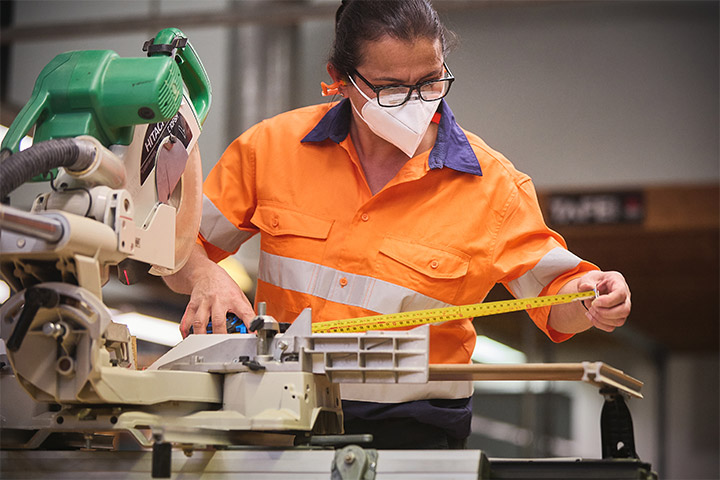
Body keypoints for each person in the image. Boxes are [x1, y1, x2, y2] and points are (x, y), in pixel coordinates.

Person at [163, 0, 631, 449]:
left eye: (429, 83)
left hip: (416, 436)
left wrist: (595, 295)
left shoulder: (494, 188)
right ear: (339, 81)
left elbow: (558, 298)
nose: (413, 103)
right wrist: (205, 274)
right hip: (277, 421)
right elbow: (173, 246)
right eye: (390, 88)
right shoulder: (272, 149)